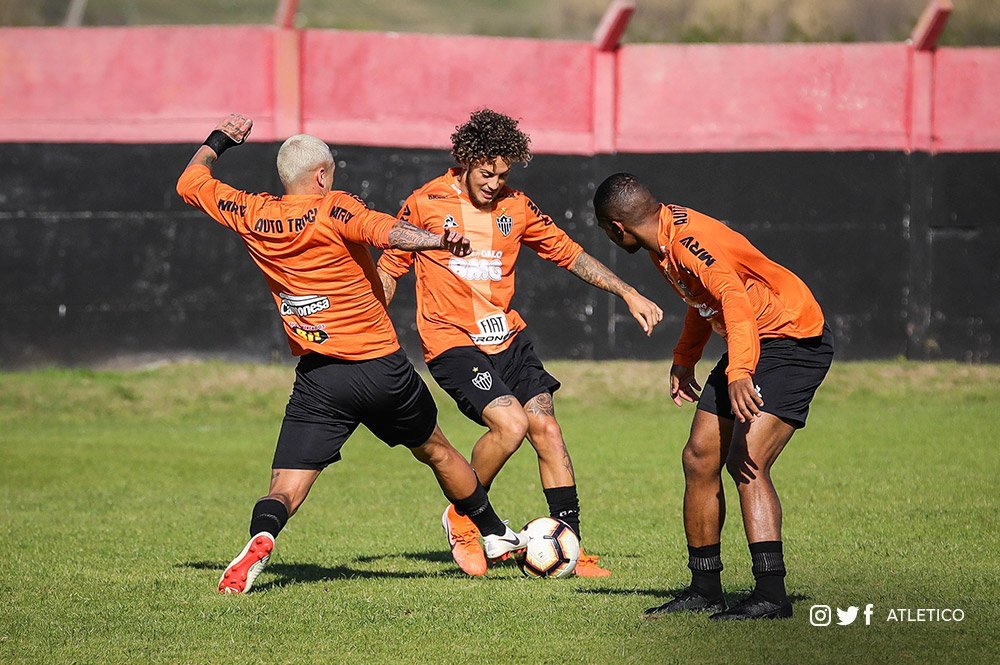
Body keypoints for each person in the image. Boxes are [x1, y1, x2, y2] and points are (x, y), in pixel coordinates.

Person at [177, 113, 528, 594]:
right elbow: (387, 230)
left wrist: (220, 140)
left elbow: (190, 181)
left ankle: (264, 535)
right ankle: (493, 531)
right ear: (321, 176)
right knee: (438, 451)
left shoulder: (251, 212)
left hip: (321, 377)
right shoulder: (334, 207)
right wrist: (436, 240)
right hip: (382, 369)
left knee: (285, 486)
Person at [376, 110, 663, 578]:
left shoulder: (518, 207)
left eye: (503, 175)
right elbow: (389, 268)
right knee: (510, 424)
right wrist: (368, 328)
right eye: (486, 174)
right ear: (464, 161)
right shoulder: (425, 202)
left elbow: (571, 255)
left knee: (546, 428)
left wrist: (627, 292)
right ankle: (463, 518)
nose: (494, 184)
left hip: (509, 340)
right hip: (453, 343)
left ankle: (570, 548)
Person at [592, 173, 833, 620]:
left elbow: (733, 298)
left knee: (747, 459)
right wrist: (685, 358)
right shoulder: (662, 241)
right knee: (700, 457)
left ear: (616, 227)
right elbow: (703, 301)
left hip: (792, 340)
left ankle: (771, 595)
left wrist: (739, 371)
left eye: (606, 231)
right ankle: (704, 588)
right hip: (753, 339)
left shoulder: (686, 243)